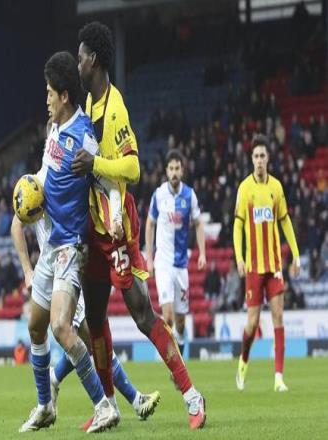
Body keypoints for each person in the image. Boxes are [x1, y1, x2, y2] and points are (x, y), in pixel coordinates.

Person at [72, 21, 205, 430]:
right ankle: (108, 406)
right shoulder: (89, 103)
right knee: (95, 318)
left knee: (143, 314)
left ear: (94, 60)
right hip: (94, 224)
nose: (78, 63)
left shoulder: (115, 108)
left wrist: (95, 163)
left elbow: (132, 167)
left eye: (81, 57)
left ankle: (192, 395)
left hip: (117, 226)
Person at [16, 51, 118, 434]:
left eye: (48, 93)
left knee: (61, 326)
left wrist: (114, 217)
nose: (45, 99)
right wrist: (31, 187)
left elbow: (108, 183)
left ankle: (104, 406)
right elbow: (47, 173)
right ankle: (45, 406)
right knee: (35, 326)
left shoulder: (84, 137)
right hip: (51, 244)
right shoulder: (55, 130)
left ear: (63, 96)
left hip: (72, 246)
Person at [12, 207, 160, 424]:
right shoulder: (39, 189)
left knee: (89, 340)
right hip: (60, 269)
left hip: (76, 264)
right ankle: (131, 400)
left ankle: (57, 379)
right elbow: (16, 223)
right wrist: (27, 270)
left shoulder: (68, 188)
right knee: (91, 338)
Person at [233, 134, 300, 392]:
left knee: (278, 317)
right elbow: (237, 225)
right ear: (251, 159)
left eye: (263, 155)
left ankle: (279, 378)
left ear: (268, 158)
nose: (259, 160)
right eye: (256, 156)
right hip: (253, 267)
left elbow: (285, 221)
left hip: (273, 266)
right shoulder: (245, 189)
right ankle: (243, 361)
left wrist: (295, 254)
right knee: (252, 323)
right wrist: (239, 258)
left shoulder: (276, 187)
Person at [145, 149, 207, 356]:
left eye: (177, 168)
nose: (173, 172)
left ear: (182, 170)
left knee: (180, 322)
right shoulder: (158, 195)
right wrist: (149, 259)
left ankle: (180, 344)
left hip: (181, 265)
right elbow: (150, 224)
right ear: (166, 171)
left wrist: (202, 253)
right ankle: (173, 364)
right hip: (163, 263)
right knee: (169, 317)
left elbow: (199, 223)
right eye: (170, 168)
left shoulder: (189, 195)